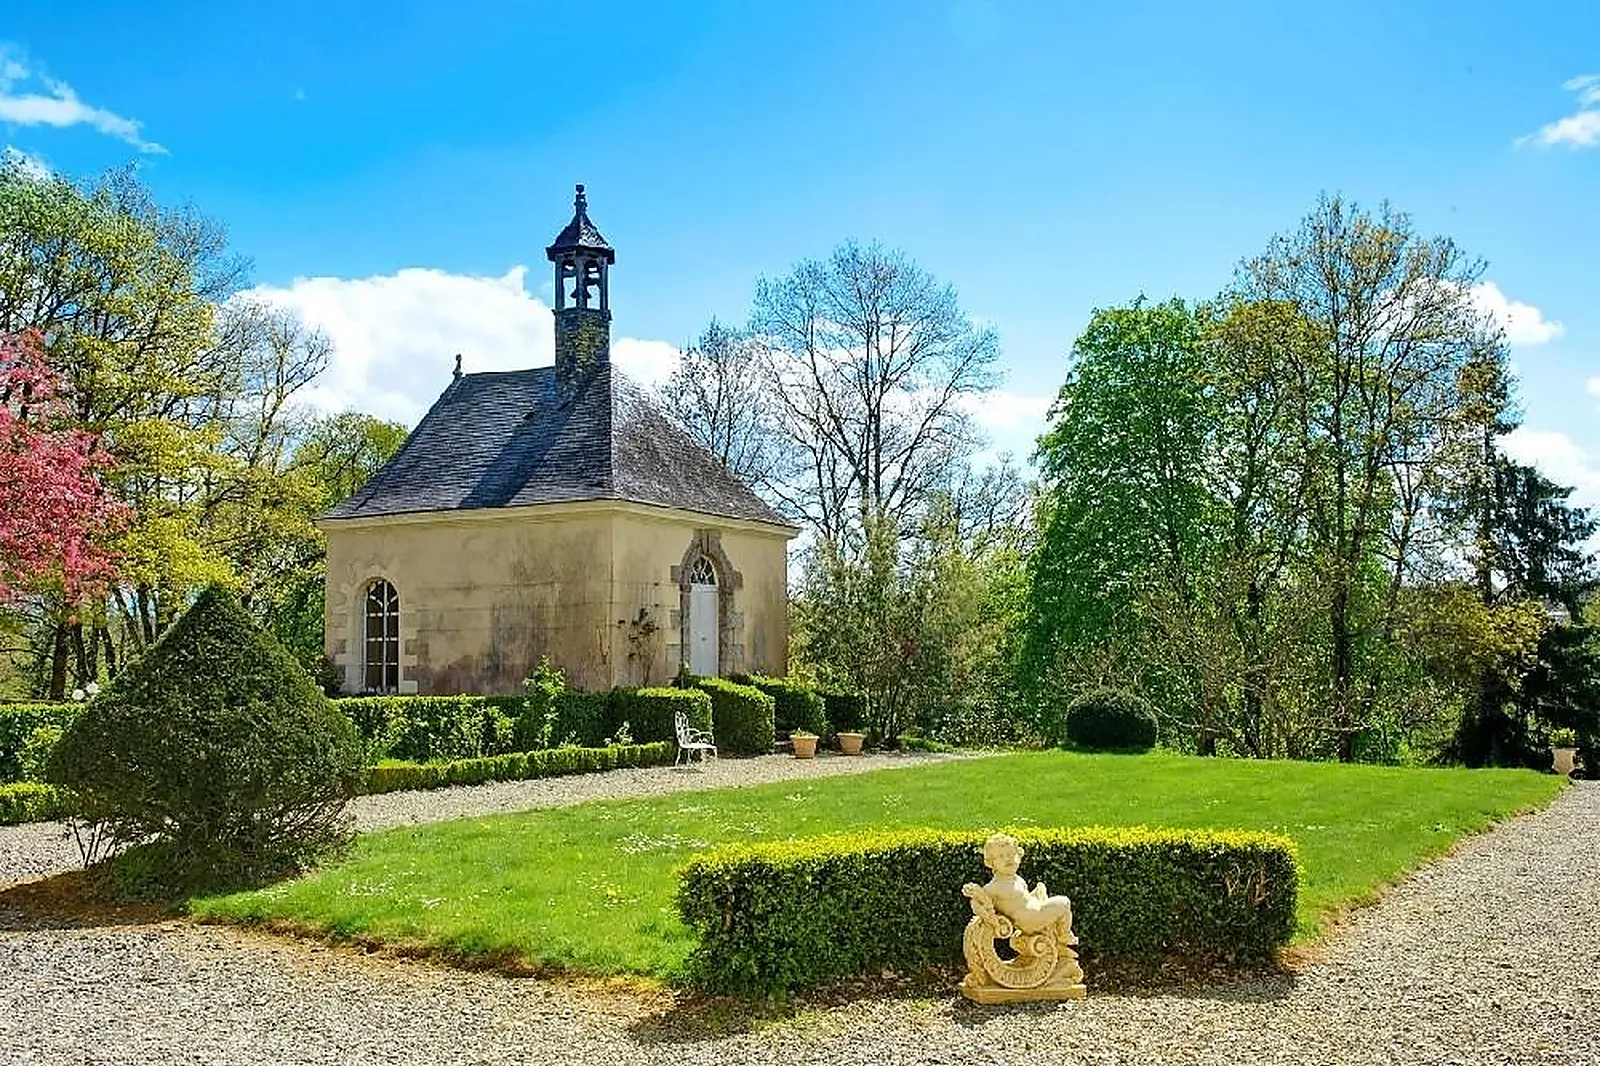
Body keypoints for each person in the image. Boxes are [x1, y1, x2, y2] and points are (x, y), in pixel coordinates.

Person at [976, 833, 1076, 941]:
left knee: (1042, 889)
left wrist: (1036, 894)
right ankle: (1064, 934)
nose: (1008, 859)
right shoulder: (994, 886)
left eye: (1011, 854)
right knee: (1064, 902)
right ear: (992, 862)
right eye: (1001, 856)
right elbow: (977, 902)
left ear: (1018, 856)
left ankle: (1059, 933)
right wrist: (991, 919)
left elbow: (1024, 899)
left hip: (1035, 912)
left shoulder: (1016, 878)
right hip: (1031, 921)